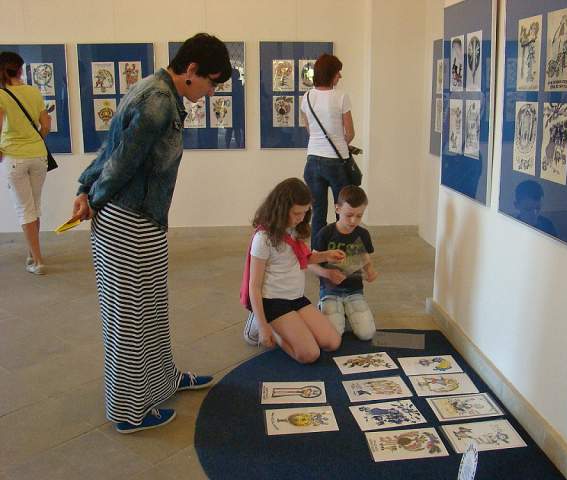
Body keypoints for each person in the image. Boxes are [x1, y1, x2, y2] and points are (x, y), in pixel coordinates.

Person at [69, 33, 232, 434]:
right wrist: (92, 196)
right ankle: (127, 410)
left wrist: (84, 187)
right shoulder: (158, 102)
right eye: (211, 82)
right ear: (191, 70)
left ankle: (161, 381)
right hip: (128, 218)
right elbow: (121, 161)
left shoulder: (156, 90)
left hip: (143, 219)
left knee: (151, 308)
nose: (211, 92)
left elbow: (111, 147)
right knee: (129, 315)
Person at [241, 177, 344, 363]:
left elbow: (301, 259)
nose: (301, 218)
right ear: (281, 209)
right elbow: (254, 286)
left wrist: (326, 255)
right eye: (297, 213)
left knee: (332, 342)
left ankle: (287, 325)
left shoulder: (295, 229)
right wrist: (264, 327)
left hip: (296, 298)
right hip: (273, 301)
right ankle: (262, 323)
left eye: (305, 212)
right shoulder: (263, 239)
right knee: (310, 354)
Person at [0, 51, 51, 275]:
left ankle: (37, 261)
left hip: (14, 156)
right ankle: (32, 253)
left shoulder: (1, 94)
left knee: (25, 210)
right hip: (38, 155)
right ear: (20, 69)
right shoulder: (33, 91)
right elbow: (46, 124)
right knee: (34, 207)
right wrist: (37, 140)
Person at [300, 53, 355, 248]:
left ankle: (318, 254)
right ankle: (343, 253)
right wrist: (341, 143)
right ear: (331, 73)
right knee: (344, 211)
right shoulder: (341, 96)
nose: (340, 76)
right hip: (336, 162)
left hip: (313, 160)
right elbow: (350, 132)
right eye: (338, 72)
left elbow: (308, 127)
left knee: (318, 213)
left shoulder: (307, 97)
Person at [310, 186, 378, 340]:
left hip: (354, 290)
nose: (354, 220)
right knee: (334, 334)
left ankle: (346, 313)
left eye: (359, 216)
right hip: (330, 291)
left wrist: (370, 271)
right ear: (337, 209)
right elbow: (310, 263)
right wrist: (327, 273)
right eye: (349, 215)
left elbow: (365, 257)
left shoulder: (363, 234)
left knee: (366, 334)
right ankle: (327, 308)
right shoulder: (326, 233)